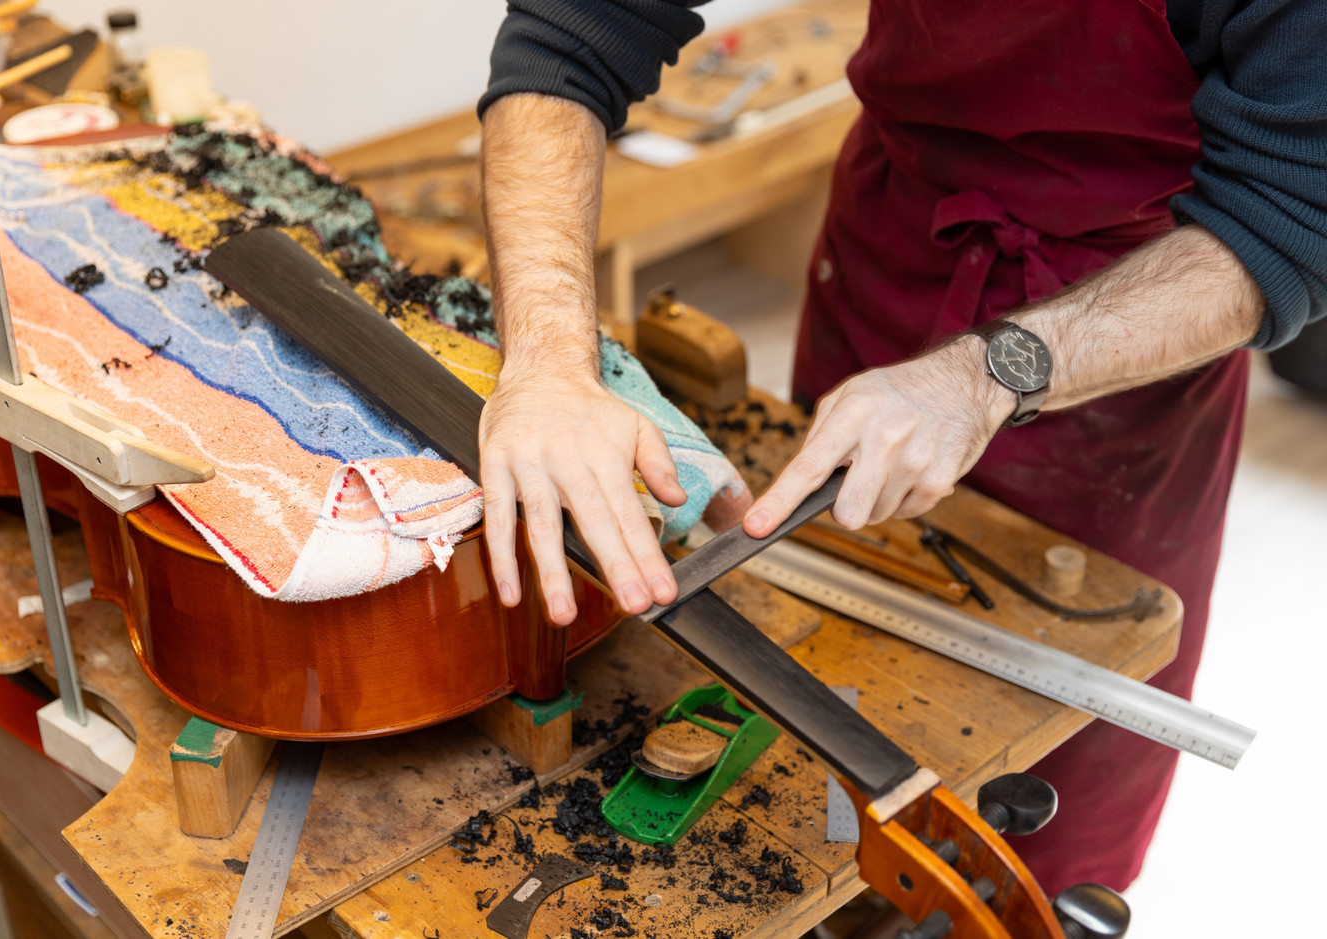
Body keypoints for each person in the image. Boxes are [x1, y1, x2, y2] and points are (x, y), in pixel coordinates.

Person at [473, 0, 1327, 894]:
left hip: (1125, 338)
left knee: (1044, 811)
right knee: (820, 727)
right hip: (895, 242)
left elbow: (1284, 225)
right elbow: (572, 34)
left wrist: (988, 374)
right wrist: (548, 359)